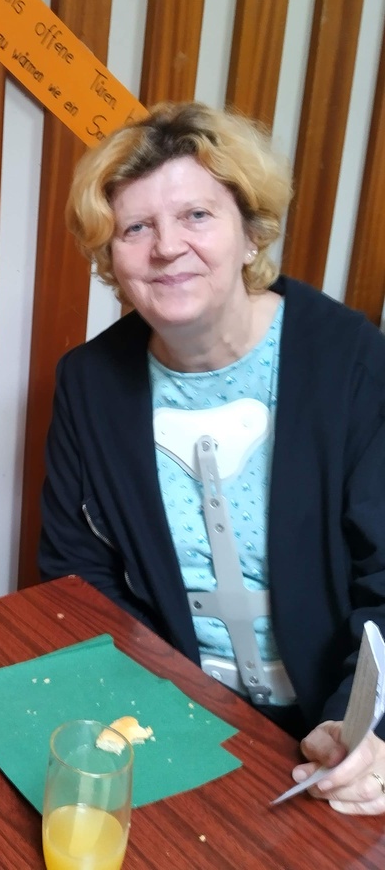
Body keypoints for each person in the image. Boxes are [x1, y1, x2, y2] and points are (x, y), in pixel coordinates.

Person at [39, 101, 385, 815]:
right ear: (112, 259)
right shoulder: (88, 383)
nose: (167, 248)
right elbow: (77, 574)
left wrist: (365, 730)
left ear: (251, 233)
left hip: (331, 728)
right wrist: (161, 706)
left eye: (197, 216)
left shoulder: (350, 360)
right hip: (168, 714)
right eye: (135, 228)